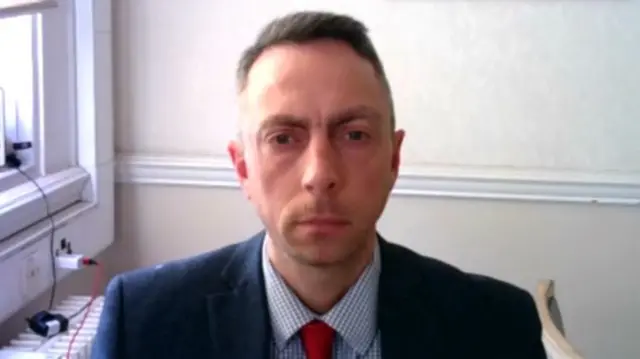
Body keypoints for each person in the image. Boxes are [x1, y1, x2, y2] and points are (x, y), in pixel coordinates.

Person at [92, 11, 547, 359]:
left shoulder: (496, 327)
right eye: (284, 138)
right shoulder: (143, 324)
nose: (319, 175)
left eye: (353, 135)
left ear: (393, 157)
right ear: (243, 168)